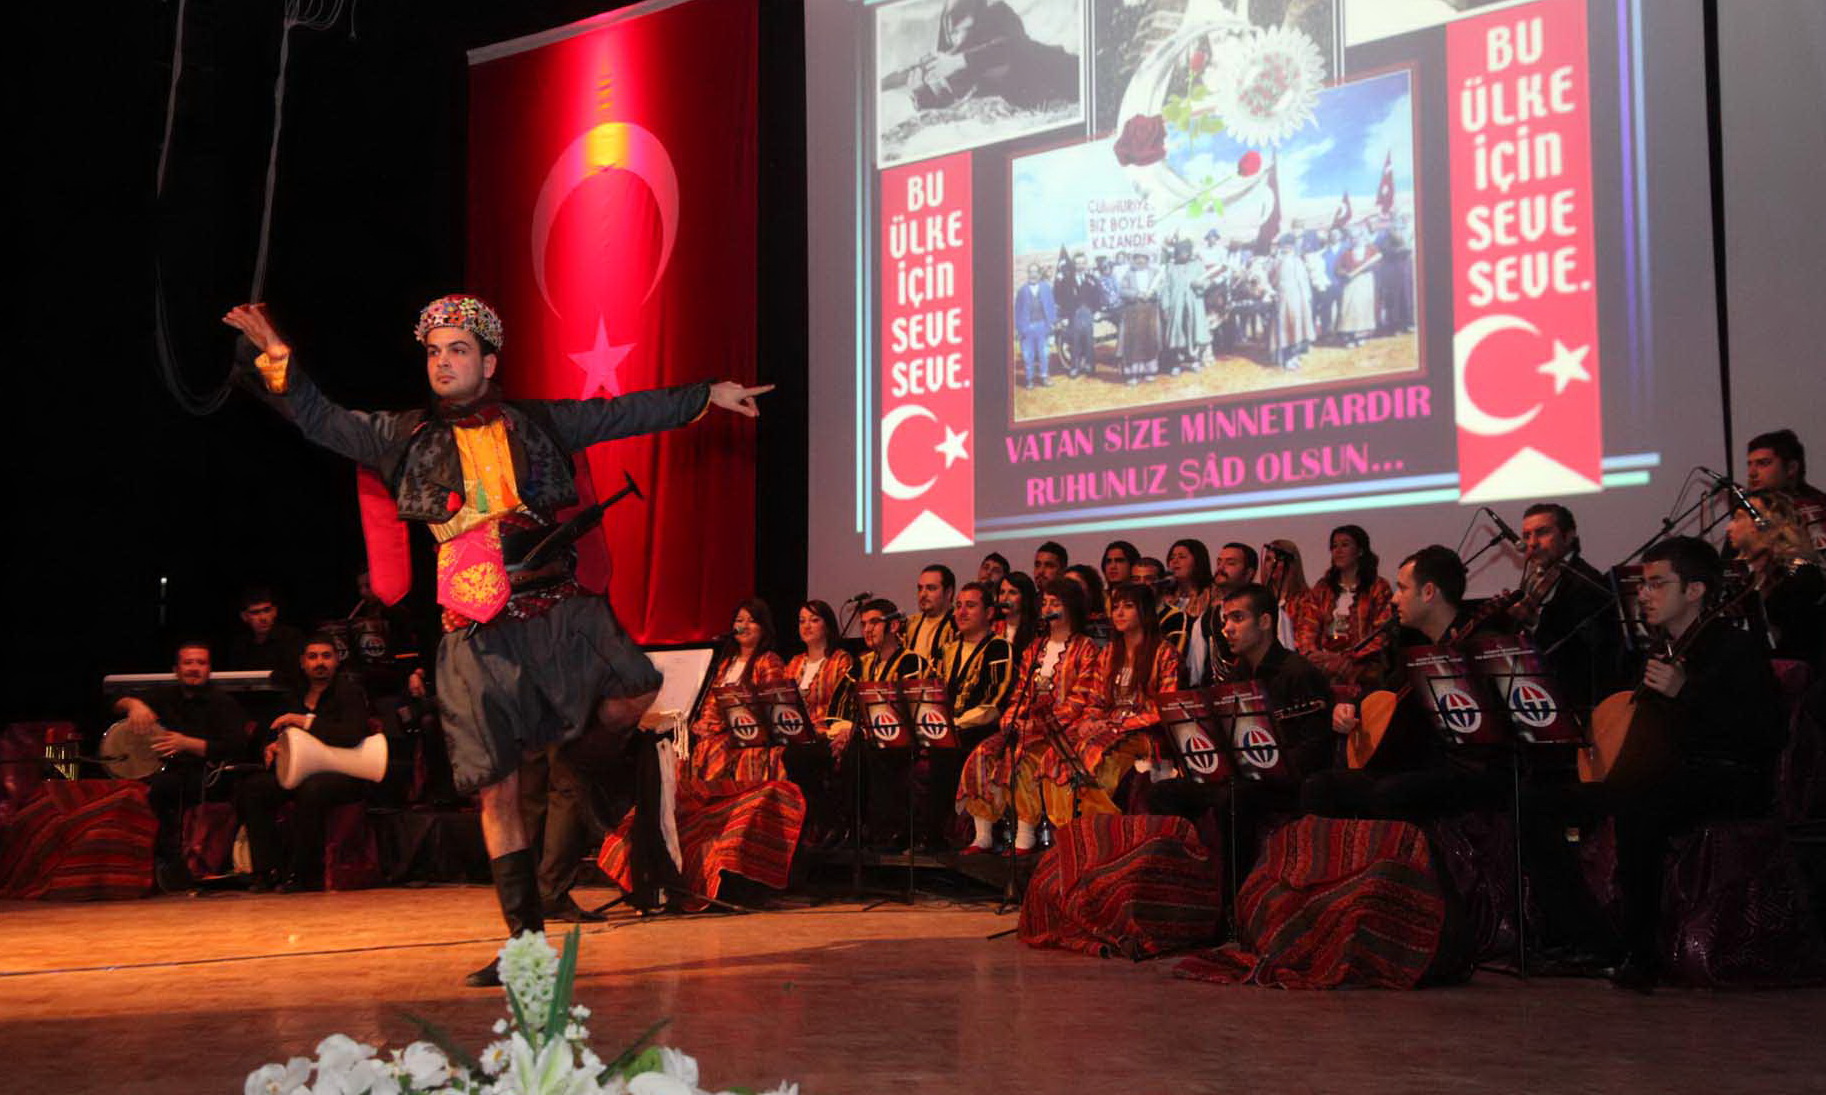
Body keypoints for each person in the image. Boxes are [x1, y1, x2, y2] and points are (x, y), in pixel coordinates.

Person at [223, 295, 770, 985]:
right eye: (433, 352)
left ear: (488, 361)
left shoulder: (538, 421)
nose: (442, 362)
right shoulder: (402, 434)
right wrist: (277, 357)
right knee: (496, 791)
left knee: (637, 689)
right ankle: (525, 945)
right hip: (473, 628)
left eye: (457, 350)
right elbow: (321, 418)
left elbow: (621, 413)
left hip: (557, 610)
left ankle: (578, 758)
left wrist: (706, 395)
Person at [1520, 537, 1786, 991]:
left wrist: (1686, 692)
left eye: (1657, 584)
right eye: (1642, 586)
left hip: (1728, 777)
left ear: (1695, 590)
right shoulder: (1660, 648)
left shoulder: (1735, 646)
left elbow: (1764, 734)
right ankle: (1591, 938)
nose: (1643, 595)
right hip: (1661, 775)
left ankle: (1642, 953)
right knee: (1535, 804)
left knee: (1639, 805)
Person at [1302, 546, 1507, 821]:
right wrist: (1349, 708)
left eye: (1402, 588)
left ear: (1429, 592)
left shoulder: (1483, 647)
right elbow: (1383, 691)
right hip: (1418, 764)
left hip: (1469, 770)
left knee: (1390, 792)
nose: (1395, 599)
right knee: (1321, 786)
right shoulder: (1415, 649)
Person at [1149, 584, 1332, 884]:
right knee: (1163, 793)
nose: (1227, 629)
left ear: (1265, 621)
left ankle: (1237, 892)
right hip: (1240, 776)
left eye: (1237, 618)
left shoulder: (1297, 672)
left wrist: (1271, 762)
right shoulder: (1237, 674)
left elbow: (1316, 748)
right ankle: (1183, 885)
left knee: (1235, 797)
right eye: (1225, 621)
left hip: (1283, 783)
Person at [957, 578, 1101, 854]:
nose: (1048, 608)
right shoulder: (1034, 648)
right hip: (1027, 726)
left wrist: (1040, 724)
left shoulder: (1086, 648)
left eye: (1055, 603)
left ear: (1070, 607)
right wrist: (1012, 717)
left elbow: (1080, 698)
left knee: (1023, 759)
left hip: (1062, 731)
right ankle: (982, 835)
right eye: (1044, 603)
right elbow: (1020, 691)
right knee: (983, 753)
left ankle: (1025, 836)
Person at [233, 634, 373, 892]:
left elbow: (352, 735)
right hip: (299, 771)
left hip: (342, 771)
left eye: (326, 656)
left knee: (312, 789)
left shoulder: (348, 692)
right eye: (313, 657)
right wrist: (272, 746)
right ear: (303, 662)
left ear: (337, 660)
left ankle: (303, 873)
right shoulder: (293, 695)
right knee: (254, 788)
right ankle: (266, 870)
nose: (320, 662)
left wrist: (304, 721)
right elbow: (273, 732)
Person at [112, 640, 251, 892]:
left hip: (208, 774)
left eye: (201, 663)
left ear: (209, 669)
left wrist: (187, 743)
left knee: (164, 789)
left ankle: (173, 866)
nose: (194, 668)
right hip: (164, 771)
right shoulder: (164, 696)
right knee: (133, 790)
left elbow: (236, 747)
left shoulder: (223, 703)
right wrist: (134, 705)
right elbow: (114, 702)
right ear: (176, 669)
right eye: (188, 663)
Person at [1066, 581, 1183, 820]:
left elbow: (1166, 707)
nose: (1119, 613)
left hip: (1146, 733)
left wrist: (1117, 725)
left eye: (1128, 606)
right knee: (1064, 750)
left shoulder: (1164, 653)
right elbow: (1095, 699)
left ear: (1145, 611)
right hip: (1109, 726)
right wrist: (1089, 720)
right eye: (1116, 606)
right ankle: (1077, 825)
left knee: (1099, 754)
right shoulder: (1109, 653)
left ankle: (1105, 824)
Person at [919, 582, 1015, 849]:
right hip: (944, 728)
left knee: (945, 750)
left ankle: (946, 834)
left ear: (989, 613)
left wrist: (954, 724)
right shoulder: (947, 650)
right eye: (959, 606)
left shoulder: (998, 648)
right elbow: (929, 692)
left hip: (980, 728)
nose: (961, 612)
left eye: (970, 606)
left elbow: (994, 702)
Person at [1509, 503, 1624, 712]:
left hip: (1579, 703)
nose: (1532, 543)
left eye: (1542, 532)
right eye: (1526, 536)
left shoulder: (1586, 582)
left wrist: (1535, 623)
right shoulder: (1534, 579)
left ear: (1569, 536)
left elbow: (1586, 652)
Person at [901, 0, 1079, 114]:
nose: (956, 40)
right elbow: (952, 111)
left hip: (1077, 79)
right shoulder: (966, 72)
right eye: (952, 34)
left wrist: (960, 61)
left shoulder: (998, 15)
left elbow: (1012, 48)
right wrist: (921, 94)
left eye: (960, 30)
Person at [780, 600, 857, 846]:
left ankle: (821, 821)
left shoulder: (840, 660)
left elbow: (846, 704)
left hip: (826, 732)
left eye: (814, 620)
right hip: (794, 733)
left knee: (797, 755)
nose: (807, 626)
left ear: (827, 625)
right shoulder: (794, 663)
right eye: (802, 621)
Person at [689, 601, 788, 783]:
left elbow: (772, 706)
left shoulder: (768, 661)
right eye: (739, 620)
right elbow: (711, 702)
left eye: (751, 621)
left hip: (752, 735)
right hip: (721, 732)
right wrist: (706, 724)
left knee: (718, 749)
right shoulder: (726, 664)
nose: (744, 626)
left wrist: (723, 726)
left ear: (763, 628)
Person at [1292, 524, 1395, 693]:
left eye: (1345, 545)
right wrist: (1312, 654)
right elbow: (1307, 627)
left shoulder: (1378, 587)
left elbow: (1382, 633)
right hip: (1324, 664)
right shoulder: (1323, 588)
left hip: (1363, 666)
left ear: (1360, 551)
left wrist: (1347, 658)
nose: (1338, 551)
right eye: (1334, 546)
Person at [1726, 491, 1826, 664]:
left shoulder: (1799, 572)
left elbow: (1795, 637)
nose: (1729, 527)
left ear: (1764, 522)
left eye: (1738, 518)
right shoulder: (1737, 573)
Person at [1183, 542, 1258, 687]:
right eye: (1219, 562)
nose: (1221, 568)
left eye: (1230, 563)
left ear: (1249, 573)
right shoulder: (1205, 620)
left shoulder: (1270, 612)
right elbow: (1195, 675)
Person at [1159, 237, 1209, 374]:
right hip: (1176, 305)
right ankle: (1176, 362)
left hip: (1194, 304)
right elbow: (1165, 289)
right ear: (1177, 252)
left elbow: (1206, 282)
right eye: (1181, 252)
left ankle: (1194, 360)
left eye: (1186, 251)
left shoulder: (1197, 265)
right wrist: (1165, 306)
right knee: (1177, 333)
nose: (1184, 254)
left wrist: (1200, 284)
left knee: (1194, 331)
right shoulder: (1171, 267)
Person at [1267, 234, 1315, 370]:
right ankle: (1286, 358)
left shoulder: (1298, 261)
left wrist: (1307, 296)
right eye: (1284, 245)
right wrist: (1274, 292)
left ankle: (1295, 355)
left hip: (1300, 298)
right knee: (1285, 326)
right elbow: (1271, 279)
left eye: (1290, 245)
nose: (1287, 248)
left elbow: (1304, 280)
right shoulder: (1277, 261)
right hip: (1284, 297)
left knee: (1298, 325)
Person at [1744, 429, 1826, 507]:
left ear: (1791, 468)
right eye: (1749, 464)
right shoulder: (1746, 506)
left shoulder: (1818, 508)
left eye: (1763, 463)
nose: (1752, 473)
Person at [1117, 250, 1163, 386]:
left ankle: (1149, 371)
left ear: (1148, 259)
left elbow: (1162, 288)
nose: (1141, 261)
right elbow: (1122, 291)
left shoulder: (1155, 273)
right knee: (1134, 343)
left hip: (1150, 312)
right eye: (1138, 258)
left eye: (1143, 258)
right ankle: (1133, 373)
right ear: (1134, 259)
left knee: (1150, 341)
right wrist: (1137, 294)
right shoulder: (1128, 274)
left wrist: (1153, 293)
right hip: (1133, 314)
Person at [1333, 227, 1381, 349]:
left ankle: (1360, 336)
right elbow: (1338, 268)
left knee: (1363, 307)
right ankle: (1349, 335)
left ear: (1362, 236)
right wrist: (1345, 273)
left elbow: (1378, 263)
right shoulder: (1346, 253)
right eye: (1352, 238)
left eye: (1357, 237)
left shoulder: (1371, 250)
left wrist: (1366, 269)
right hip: (1351, 282)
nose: (1355, 240)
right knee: (1349, 307)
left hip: (1366, 281)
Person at [1260, 538, 1309, 653]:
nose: (1272, 564)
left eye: (1279, 559)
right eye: (1268, 559)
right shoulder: (1259, 598)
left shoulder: (1306, 599)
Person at [1014, 264, 1058, 389]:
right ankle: (1029, 379)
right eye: (1030, 272)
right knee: (1028, 355)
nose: (1033, 275)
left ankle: (1044, 377)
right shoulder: (1022, 290)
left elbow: (1051, 306)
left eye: (1035, 272)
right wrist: (1019, 328)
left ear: (1039, 274)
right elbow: (1017, 310)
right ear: (1028, 274)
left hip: (1042, 326)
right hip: (1027, 327)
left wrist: (1052, 324)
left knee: (1044, 353)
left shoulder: (1046, 288)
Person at [1164, 538, 1217, 642]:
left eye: (1182, 557)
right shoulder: (1165, 595)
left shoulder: (1213, 593)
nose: (1175, 561)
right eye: (1172, 558)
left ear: (1198, 561)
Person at [905, 564, 959, 662]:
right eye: (920, 588)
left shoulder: (958, 624)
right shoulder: (909, 624)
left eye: (931, 588)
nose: (923, 594)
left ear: (948, 592)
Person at [1133, 555, 1186, 649]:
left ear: (1162, 583)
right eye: (1136, 579)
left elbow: (1174, 654)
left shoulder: (1175, 617)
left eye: (1148, 579)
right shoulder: (1125, 616)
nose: (1141, 584)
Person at [1376, 214, 1416, 335]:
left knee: (1407, 297)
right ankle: (1394, 325)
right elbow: (1385, 251)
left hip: (1406, 271)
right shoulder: (1385, 237)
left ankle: (1408, 323)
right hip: (1392, 272)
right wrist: (1400, 250)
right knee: (1394, 299)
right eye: (1396, 224)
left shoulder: (1408, 234)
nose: (1398, 226)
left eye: (1400, 223)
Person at [995, 571, 1040, 661]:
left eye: (1012, 592)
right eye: (1002, 592)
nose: (1005, 598)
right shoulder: (993, 628)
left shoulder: (1037, 631)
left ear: (1025, 597)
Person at [1064, 563, 1114, 645]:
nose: (1069, 589)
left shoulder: (1104, 628)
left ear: (1091, 590)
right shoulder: (1054, 624)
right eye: (1065, 584)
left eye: (1075, 584)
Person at [1100, 540, 1138, 607]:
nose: (1112, 566)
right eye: (1108, 562)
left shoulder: (1141, 599)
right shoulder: (1099, 599)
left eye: (1119, 561)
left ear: (1132, 564)